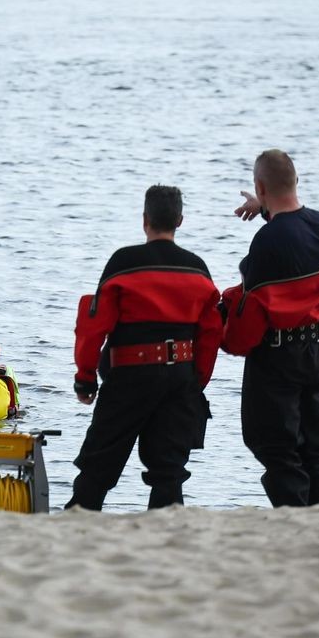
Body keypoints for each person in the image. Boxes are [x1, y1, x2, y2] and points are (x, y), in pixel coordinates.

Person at [65, 185, 221, 511]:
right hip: (179, 376)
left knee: (99, 463)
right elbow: (210, 334)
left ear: (144, 220)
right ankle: (168, 537)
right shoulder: (197, 269)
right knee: (169, 471)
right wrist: (196, 382)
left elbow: (93, 326)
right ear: (180, 220)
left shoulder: (124, 263)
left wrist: (85, 377)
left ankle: (79, 521)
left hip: (129, 376)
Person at [221, 149, 319, 507]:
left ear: (260, 185)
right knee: (317, 451)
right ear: (296, 181)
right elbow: (294, 245)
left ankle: (296, 520)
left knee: (276, 447)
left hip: (278, 356)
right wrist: (265, 208)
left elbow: (254, 306)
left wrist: (226, 338)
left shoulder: (267, 243)